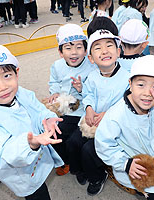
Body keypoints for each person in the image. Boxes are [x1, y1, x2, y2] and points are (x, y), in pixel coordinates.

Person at [0, 43, 64, 199]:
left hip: (37, 157)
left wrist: (48, 117)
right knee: (37, 193)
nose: (3, 87)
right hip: (21, 174)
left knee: (41, 181)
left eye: (6, 75)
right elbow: (3, 152)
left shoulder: (20, 93)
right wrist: (30, 144)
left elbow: (37, 109)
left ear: (16, 73)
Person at [95, 55, 154, 200]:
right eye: (141, 84)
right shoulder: (116, 115)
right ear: (130, 84)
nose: (147, 93)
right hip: (136, 162)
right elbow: (103, 144)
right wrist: (125, 163)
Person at [66, 29, 130, 196]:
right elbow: (88, 94)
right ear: (91, 59)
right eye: (98, 48)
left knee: (89, 150)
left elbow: (126, 103)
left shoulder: (127, 78)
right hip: (91, 121)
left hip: (113, 126)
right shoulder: (93, 77)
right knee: (72, 142)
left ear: (118, 52)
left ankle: (97, 177)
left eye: (110, 45)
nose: (104, 50)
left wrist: (106, 114)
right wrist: (89, 109)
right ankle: (79, 170)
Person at [49, 24, 95, 176]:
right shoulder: (57, 66)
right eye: (68, 48)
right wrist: (54, 92)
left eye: (78, 47)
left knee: (73, 142)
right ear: (60, 52)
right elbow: (53, 81)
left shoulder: (92, 67)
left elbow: (96, 92)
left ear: (86, 49)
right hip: (62, 109)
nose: (74, 52)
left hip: (82, 111)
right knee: (53, 134)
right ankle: (65, 161)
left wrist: (82, 89)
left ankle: (78, 169)